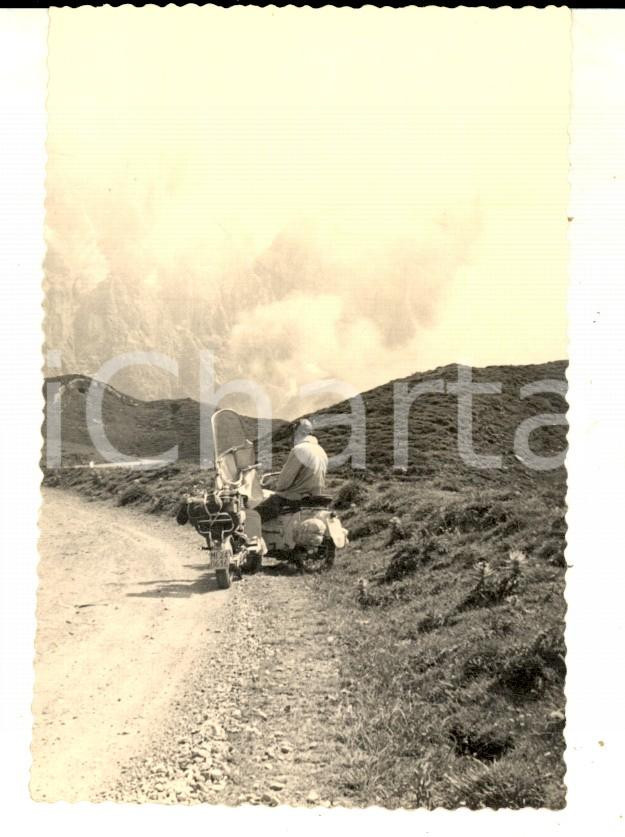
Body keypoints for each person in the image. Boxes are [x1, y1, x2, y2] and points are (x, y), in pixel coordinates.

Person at [256, 419, 328, 522]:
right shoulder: (321, 451)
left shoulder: (299, 449)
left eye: (293, 434)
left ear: (298, 433)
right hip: (314, 497)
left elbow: (283, 484)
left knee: (254, 515)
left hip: (295, 498)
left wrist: (277, 484)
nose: (292, 438)